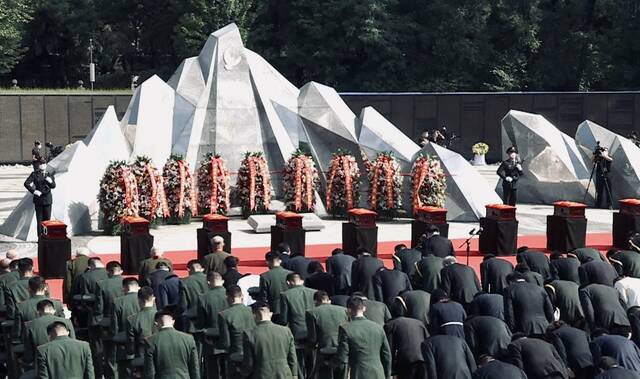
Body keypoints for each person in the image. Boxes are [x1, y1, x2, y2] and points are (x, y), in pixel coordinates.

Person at [336, 296, 391, 379]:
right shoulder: (378, 328)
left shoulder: (345, 329)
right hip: (378, 374)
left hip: (359, 374)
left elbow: (342, 360)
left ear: (348, 311)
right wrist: (387, 375)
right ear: (364, 309)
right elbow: (387, 355)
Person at [241, 301, 297, 378]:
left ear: (254, 315)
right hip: (284, 375)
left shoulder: (249, 334)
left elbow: (249, 363)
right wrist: (294, 375)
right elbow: (292, 358)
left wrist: (243, 373)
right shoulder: (286, 331)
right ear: (270, 314)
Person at [144, 309, 200, 378]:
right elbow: (195, 369)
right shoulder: (189, 339)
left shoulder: (150, 341)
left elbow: (150, 373)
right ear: (173, 321)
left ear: (156, 323)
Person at [305, 290, 348, 379]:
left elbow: (313, 338)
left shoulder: (311, 312)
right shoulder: (344, 310)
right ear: (329, 300)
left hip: (324, 350)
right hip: (342, 350)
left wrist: (308, 349)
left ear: (316, 301)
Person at [280, 272, 316, 378]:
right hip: (313, 332)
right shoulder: (314, 292)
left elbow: (284, 319)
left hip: (297, 333)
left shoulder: (285, 295)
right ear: (301, 280)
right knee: (312, 362)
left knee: (299, 362)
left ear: (288, 282)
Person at [384, 297, 429, 379]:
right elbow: (428, 341)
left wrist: (391, 370)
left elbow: (390, 349)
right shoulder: (419, 323)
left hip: (406, 362)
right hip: (423, 360)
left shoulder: (390, 325)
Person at [23, 299, 76, 367]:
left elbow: (29, 353)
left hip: (43, 364)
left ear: (38, 312)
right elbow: (73, 342)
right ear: (54, 310)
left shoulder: (29, 326)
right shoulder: (67, 322)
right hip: (67, 362)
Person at [218, 285, 256, 377]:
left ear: (228, 297)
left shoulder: (224, 315)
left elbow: (226, 343)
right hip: (253, 354)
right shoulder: (251, 311)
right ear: (241, 296)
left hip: (235, 356)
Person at [196, 271, 228, 379]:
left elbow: (200, 323)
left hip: (211, 341)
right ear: (222, 281)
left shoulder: (204, 298)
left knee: (213, 372)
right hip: (229, 339)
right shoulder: (230, 294)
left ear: (208, 283)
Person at [504, 272, 554, 336]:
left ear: (510, 282)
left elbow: (509, 313)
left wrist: (513, 331)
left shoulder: (509, 290)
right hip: (544, 327)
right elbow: (550, 311)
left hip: (523, 329)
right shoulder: (540, 289)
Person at [111, 277, 141, 377]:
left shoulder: (117, 302)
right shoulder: (146, 300)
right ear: (137, 287)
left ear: (124, 288)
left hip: (124, 343)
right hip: (142, 343)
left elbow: (114, 326)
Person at [23, 158, 56, 236]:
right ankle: (40, 237)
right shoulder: (34, 174)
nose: (42, 165)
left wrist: (50, 181)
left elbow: (53, 186)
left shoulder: (49, 174)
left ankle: (47, 236)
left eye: (44, 164)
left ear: (46, 165)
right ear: (38, 165)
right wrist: (34, 191)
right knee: (39, 220)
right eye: (41, 164)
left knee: (47, 220)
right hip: (39, 199)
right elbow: (26, 183)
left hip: (48, 199)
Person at [126, 287, 157, 363]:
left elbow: (131, 343)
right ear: (153, 298)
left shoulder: (132, 319)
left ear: (139, 300)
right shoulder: (162, 316)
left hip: (142, 358)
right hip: (160, 356)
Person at [259, 251, 292, 321]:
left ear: (267, 262)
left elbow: (263, 296)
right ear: (280, 261)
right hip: (290, 308)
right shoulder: (290, 273)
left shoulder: (265, 276)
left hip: (275, 309)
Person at [179, 259, 208, 333]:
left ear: (189, 269)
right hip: (209, 319)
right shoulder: (211, 279)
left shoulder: (184, 282)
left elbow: (183, 305)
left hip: (192, 321)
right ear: (201, 269)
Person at [593, 144, 613, 209]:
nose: (604, 151)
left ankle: (609, 205)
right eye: (603, 150)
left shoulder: (607, 157)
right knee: (599, 190)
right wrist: (596, 156)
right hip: (599, 175)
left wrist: (604, 155)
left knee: (608, 190)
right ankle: (598, 204)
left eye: (605, 150)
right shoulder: (599, 158)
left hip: (607, 175)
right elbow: (593, 162)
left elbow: (611, 160)